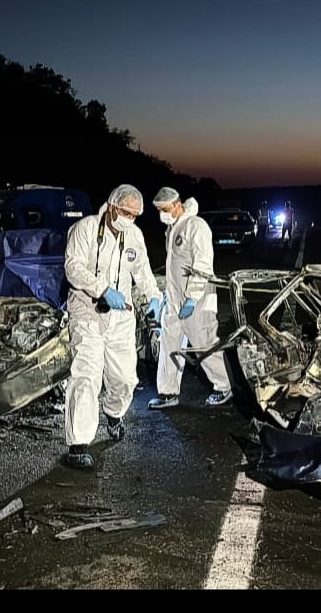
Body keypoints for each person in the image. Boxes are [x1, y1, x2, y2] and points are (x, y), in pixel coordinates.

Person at [61, 184, 162, 469]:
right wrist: (102, 289)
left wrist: (154, 296)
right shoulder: (85, 229)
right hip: (87, 312)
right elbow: (73, 267)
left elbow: (142, 271)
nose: (128, 218)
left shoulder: (134, 236)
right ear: (112, 206)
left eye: (134, 214)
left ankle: (113, 413)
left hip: (121, 317)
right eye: (125, 212)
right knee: (86, 375)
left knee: (125, 378)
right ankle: (78, 444)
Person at [147, 187, 234, 409]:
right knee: (169, 343)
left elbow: (203, 264)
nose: (161, 214)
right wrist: (168, 297)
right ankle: (168, 392)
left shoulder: (196, 226)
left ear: (177, 205)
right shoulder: (173, 228)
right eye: (159, 210)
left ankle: (224, 386)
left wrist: (192, 298)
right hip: (175, 299)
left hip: (198, 299)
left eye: (164, 209)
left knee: (204, 343)